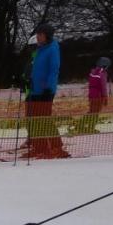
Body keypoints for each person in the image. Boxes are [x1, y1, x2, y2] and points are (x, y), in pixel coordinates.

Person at [27, 22, 67, 158]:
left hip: (45, 91)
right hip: (34, 90)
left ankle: (57, 147)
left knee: (45, 119)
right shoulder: (39, 48)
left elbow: (54, 70)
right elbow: (35, 68)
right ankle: (39, 147)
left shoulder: (52, 48)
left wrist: (49, 88)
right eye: (37, 34)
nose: (37, 37)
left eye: (40, 34)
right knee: (32, 119)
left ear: (47, 36)